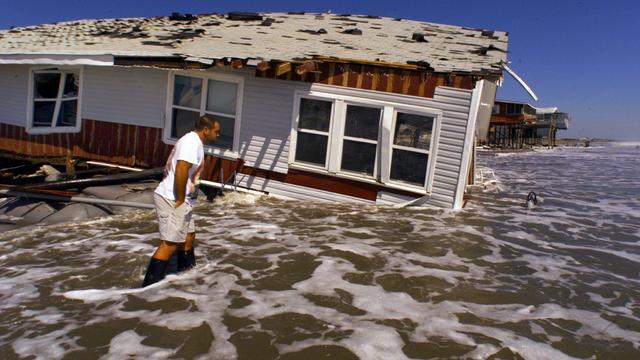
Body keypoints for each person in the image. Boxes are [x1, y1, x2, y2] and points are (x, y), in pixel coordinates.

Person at [142, 115, 220, 287]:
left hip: (183, 199)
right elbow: (181, 169)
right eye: (216, 131)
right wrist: (179, 199)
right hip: (172, 197)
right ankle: (147, 289)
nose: (218, 135)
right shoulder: (192, 142)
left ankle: (185, 277)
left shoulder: (195, 142)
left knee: (189, 236)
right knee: (169, 245)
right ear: (205, 130)